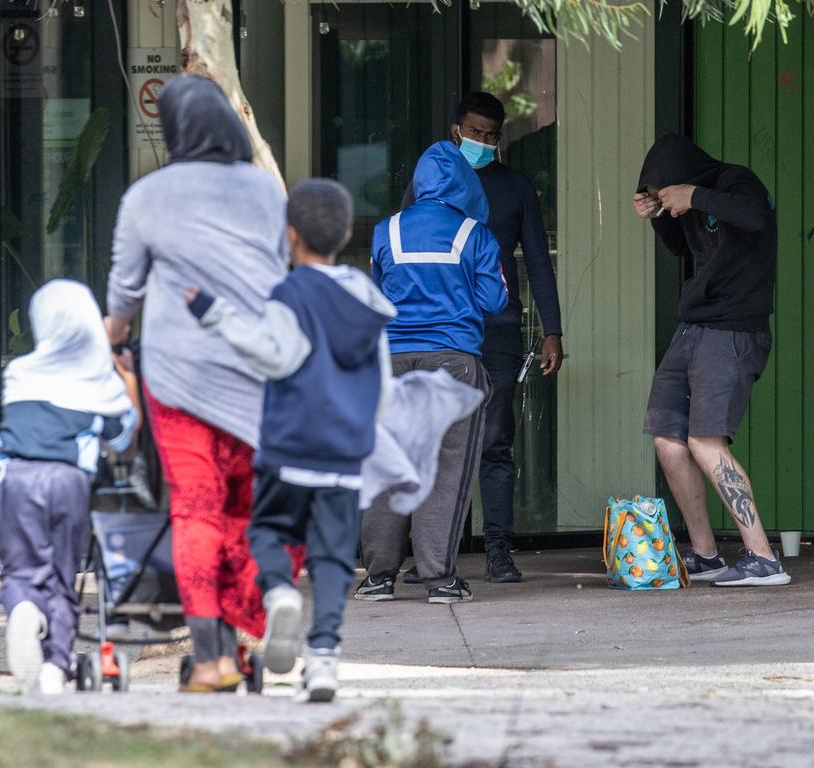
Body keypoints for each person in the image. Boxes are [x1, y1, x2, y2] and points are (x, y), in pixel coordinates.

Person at [105, 75, 291, 691]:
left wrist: (112, 344)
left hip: (179, 377)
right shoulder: (267, 192)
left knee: (195, 506)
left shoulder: (148, 194)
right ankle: (244, 639)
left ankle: (209, 655)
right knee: (243, 505)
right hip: (256, 372)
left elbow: (125, 292)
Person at [186, 179, 395, 701]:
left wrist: (215, 314)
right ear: (346, 232)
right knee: (332, 559)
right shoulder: (368, 297)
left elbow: (272, 354)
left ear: (291, 236)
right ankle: (323, 659)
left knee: (267, 531)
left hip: (290, 448)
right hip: (345, 455)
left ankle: (280, 592)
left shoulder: (291, 293)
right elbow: (384, 386)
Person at [405, 92, 563, 583]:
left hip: (496, 330)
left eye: (492, 136)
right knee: (431, 441)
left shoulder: (515, 187)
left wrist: (553, 330)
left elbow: (537, 259)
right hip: (436, 330)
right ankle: (432, 557)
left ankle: (498, 549)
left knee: (495, 439)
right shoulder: (426, 186)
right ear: (456, 130)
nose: (484, 142)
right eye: (476, 133)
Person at [633, 133, 789, 587]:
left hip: (733, 329)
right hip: (693, 328)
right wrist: (660, 216)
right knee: (668, 437)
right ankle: (706, 555)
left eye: (667, 194)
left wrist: (694, 196)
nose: (672, 205)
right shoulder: (688, 206)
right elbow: (683, 249)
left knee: (705, 442)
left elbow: (755, 216)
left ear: (687, 179)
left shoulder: (736, 181)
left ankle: (764, 558)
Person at [357, 140, 508, 605]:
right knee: (447, 470)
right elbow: (493, 302)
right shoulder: (475, 235)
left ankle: (377, 577)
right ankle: (438, 578)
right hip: (453, 364)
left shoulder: (387, 230)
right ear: (465, 183)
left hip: (392, 364)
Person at [0, 280, 140, 694]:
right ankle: (56, 666)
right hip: (67, 480)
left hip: (14, 476)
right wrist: (125, 378)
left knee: (20, 571)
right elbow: (125, 437)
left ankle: (23, 607)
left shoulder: (19, 373)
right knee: (62, 575)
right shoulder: (97, 382)